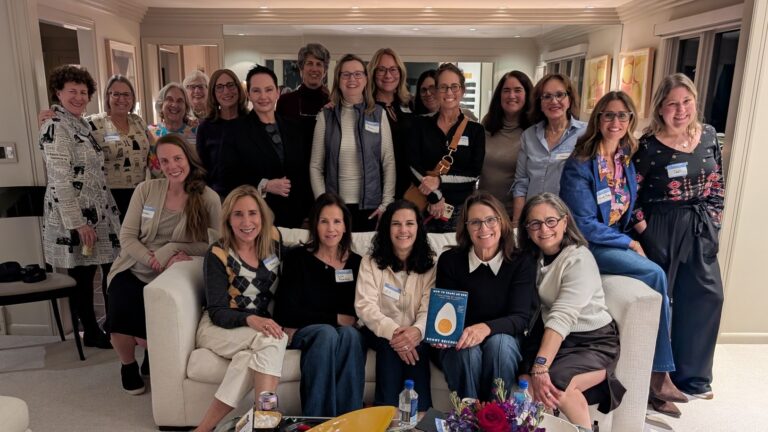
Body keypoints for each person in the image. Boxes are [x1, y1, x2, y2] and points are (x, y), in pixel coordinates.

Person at [559, 91, 685, 417]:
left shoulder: (625, 159)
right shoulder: (580, 164)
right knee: (654, 273)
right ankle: (660, 375)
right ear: (598, 120)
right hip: (590, 246)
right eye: (608, 115)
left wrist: (638, 233)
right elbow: (583, 224)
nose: (615, 122)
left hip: (617, 237)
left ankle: (660, 375)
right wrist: (627, 244)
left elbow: (625, 209)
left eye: (622, 115)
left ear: (630, 121)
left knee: (663, 273)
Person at [105, 133, 221, 395]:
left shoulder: (207, 198)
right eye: (165, 161)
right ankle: (127, 364)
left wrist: (172, 249)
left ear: (189, 159)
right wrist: (152, 259)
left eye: (177, 158)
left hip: (173, 272)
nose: (172, 166)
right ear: (158, 164)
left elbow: (216, 245)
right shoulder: (145, 189)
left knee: (159, 321)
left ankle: (151, 355)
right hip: (133, 266)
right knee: (119, 308)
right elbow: (127, 236)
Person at [633, 73, 725, 403]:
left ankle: (695, 377)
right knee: (662, 303)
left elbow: (717, 183)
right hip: (660, 224)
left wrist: (714, 220)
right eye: (672, 103)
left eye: (686, 101)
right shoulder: (646, 147)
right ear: (660, 107)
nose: (681, 109)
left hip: (699, 223)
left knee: (706, 297)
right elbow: (631, 197)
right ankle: (657, 377)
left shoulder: (709, 136)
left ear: (695, 102)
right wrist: (645, 232)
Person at [518, 192, 626, 431]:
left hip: (593, 341)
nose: (543, 229)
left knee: (555, 384)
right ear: (526, 229)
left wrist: (541, 366)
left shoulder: (579, 259)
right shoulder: (532, 259)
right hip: (556, 339)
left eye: (550, 221)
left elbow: (561, 317)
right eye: (534, 223)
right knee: (525, 379)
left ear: (565, 222)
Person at [39, 64, 120, 349]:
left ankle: (113, 324)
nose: (78, 97)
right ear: (58, 93)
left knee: (111, 269)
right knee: (83, 276)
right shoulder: (54, 127)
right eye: (71, 91)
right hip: (75, 216)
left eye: (83, 92)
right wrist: (77, 223)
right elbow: (60, 180)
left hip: (98, 213)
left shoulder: (81, 124)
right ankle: (91, 332)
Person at [194, 185, 287, 432]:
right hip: (217, 326)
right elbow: (217, 311)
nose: (247, 221)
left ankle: (203, 429)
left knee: (248, 359)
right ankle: (265, 420)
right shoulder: (217, 253)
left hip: (253, 332)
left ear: (262, 216)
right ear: (228, 219)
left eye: (252, 213)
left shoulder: (274, 241)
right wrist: (251, 320)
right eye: (238, 214)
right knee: (274, 340)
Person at [434, 191, 536, 400]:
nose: (484, 228)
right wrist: (441, 335)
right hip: (461, 341)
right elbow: (446, 313)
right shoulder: (450, 260)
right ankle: (467, 419)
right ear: (466, 227)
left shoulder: (521, 261)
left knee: (500, 344)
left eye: (491, 220)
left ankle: (496, 416)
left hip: (503, 341)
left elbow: (520, 318)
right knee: (466, 351)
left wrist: (485, 328)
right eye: (475, 222)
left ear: (502, 222)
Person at [273, 193, 365, 417]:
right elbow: (286, 312)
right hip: (307, 333)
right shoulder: (298, 258)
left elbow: (356, 314)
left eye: (336, 221)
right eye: (324, 221)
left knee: (351, 336)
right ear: (314, 224)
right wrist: (334, 318)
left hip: (342, 334)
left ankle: (348, 421)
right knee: (327, 333)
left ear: (345, 226)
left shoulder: (356, 263)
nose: (330, 228)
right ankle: (317, 422)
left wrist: (339, 321)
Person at [355, 200, 435, 413]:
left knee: (418, 349)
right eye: (396, 224)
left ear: (418, 227)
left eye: (409, 223)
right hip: (378, 332)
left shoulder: (432, 264)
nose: (403, 230)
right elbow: (365, 306)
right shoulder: (370, 261)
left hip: (417, 333)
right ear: (386, 228)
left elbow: (430, 307)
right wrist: (396, 334)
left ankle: (420, 419)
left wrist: (416, 331)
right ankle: (385, 415)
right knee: (390, 349)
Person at [310, 53, 396, 232]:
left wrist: (386, 204)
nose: (352, 79)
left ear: (366, 78)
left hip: (371, 207)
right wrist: (323, 203)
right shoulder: (325, 116)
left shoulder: (379, 114)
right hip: (334, 208)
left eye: (358, 74)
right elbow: (316, 166)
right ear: (338, 79)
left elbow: (388, 161)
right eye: (346, 74)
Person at [222, 65, 311, 228]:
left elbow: (305, 174)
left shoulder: (295, 128)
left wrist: (309, 213)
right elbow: (228, 177)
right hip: (257, 219)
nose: (263, 96)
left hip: (296, 219)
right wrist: (265, 185)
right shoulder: (234, 131)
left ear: (277, 92)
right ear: (248, 94)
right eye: (256, 91)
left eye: (268, 90)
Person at [408, 63, 485, 233]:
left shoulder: (476, 130)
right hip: (423, 205)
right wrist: (435, 196)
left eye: (454, 87)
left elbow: (473, 174)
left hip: (459, 211)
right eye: (443, 87)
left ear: (462, 91)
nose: (449, 92)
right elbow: (412, 165)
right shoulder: (420, 125)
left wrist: (439, 181)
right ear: (436, 91)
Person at [511, 73, 586, 227]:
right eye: (546, 96)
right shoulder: (529, 136)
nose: (554, 101)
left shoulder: (585, 134)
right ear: (540, 102)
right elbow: (521, 183)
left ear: (570, 99)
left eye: (560, 95)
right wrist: (517, 224)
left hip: (568, 221)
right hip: (533, 220)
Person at [480, 71, 533, 215]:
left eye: (517, 90)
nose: (511, 96)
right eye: (506, 91)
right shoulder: (488, 122)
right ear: (499, 95)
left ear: (527, 94)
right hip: (483, 208)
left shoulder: (534, 131)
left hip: (514, 213)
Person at [368, 48, 414, 198]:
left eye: (393, 69)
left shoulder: (409, 104)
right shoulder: (365, 107)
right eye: (381, 69)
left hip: (408, 185)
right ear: (373, 73)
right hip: (377, 186)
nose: (388, 75)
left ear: (400, 73)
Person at [196, 68, 249, 197]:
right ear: (213, 93)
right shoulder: (205, 127)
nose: (226, 91)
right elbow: (201, 168)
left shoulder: (251, 123)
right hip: (217, 197)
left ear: (238, 88)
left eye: (230, 85)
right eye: (219, 87)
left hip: (248, 196)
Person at [276, 43, 331, 158]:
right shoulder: (285, 101)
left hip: (323, 170)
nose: (314, 69)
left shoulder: (331, 104)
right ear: (301, 68)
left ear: (325, 71)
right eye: (309, 63)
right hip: (292, 169)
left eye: (319, 64)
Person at [148, 83, 197, 178]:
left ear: (186, 107)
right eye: (169, 99)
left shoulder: (196, 132)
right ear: (161, 104)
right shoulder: (150, 132)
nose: (174, 104)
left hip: (190, 188)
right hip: (158, 190)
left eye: (180, 101)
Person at [413, 68, 478, 121]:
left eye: (432, 88)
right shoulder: (415, 121)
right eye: (423, 90)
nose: (428, 93)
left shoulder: (466, 115)